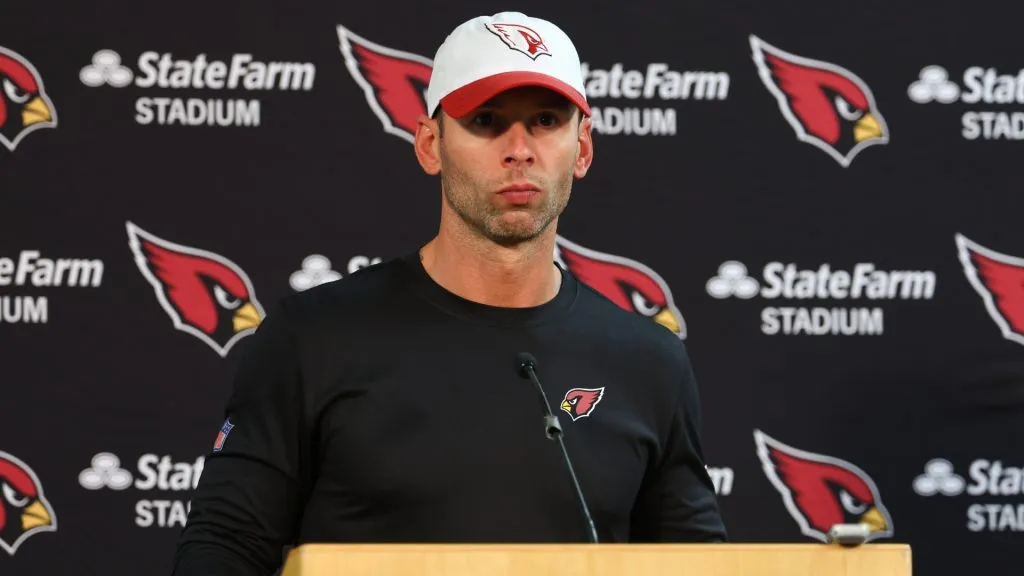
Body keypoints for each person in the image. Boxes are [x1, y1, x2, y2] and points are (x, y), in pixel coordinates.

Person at [170, 11, 727, 576]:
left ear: (582, 148)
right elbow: (224, 549)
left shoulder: (649, 361)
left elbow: (699, 565)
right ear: (431, 144)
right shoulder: (312, 339)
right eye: (486, 120)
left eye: (545, 120)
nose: (519, 149)